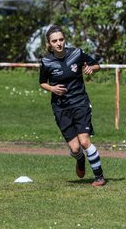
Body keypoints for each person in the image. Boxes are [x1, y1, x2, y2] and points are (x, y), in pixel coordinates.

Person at [39, 25, 106, 186]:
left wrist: (91, 68)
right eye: (55, 41)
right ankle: (80, 159)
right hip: (61, 107)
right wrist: (52, 88)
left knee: (84, 141)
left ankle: (99, 177)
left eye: (61, 39)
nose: (59, 43)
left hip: (80, 103)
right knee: (75, 149)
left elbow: (97, 65)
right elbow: (42, 83)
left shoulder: (77, 53)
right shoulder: (46, 62)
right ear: (49, 44)